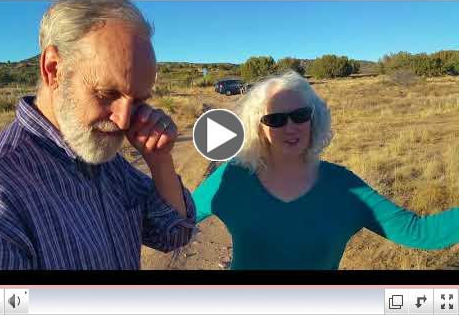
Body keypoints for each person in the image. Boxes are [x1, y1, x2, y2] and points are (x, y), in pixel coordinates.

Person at [0, 0, 196, 270]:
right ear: (53, 69)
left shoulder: (104, 157)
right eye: (107, 94)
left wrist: (159, 160)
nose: (124, 119)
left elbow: (172, 235)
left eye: (139, 101)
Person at [192, 70, 459, 269]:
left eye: (300, 115)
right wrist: (160, 161)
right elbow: (175, 216)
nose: (291, 127)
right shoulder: (233, 178)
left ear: (313, 118)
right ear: (258, 128)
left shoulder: (345, 188)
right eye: (275, 119)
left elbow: (420, 232)